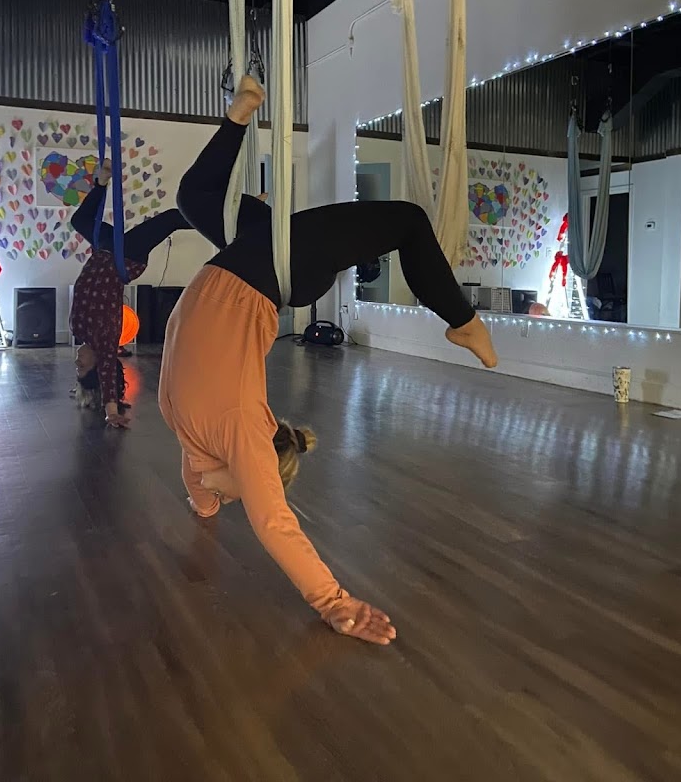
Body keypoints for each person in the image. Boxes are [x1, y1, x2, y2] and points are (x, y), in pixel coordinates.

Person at [159, 76, 497, 645]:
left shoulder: (205, 434)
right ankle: (460, 319)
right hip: (264, 270)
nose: (245, 490)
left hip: (254, 263)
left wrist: (208, 504)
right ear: (258, 463)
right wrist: (333, 601)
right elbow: (265, 516)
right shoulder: (210, 425)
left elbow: (206, 485)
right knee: (407, 221)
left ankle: (239, 115)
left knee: (194, 199)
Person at [70, 160, 192, 427]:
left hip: (105, 249)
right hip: (126, 257)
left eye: (77, 366)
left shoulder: (77, 328)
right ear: (98, 365)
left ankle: (102, 181)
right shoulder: (105, 340)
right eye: (82, 366)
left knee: (79, 220)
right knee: (171, 218)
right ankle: (228, 220)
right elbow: (107, 376)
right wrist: (111, 410)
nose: (77, 361)